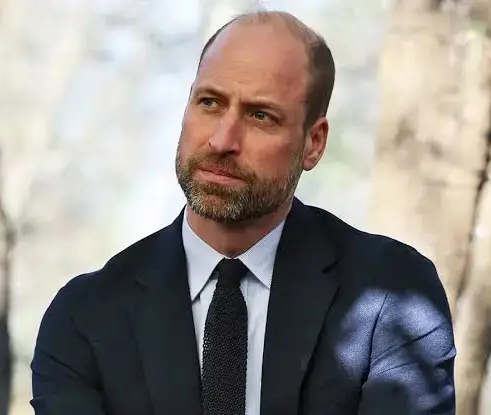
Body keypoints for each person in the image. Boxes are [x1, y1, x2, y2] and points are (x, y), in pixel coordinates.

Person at [30, 10, 456, 415]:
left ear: (314, 143)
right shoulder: (85, 317)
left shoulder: (392, 296)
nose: (222, 140)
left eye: (260, 115)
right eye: (209, 103)